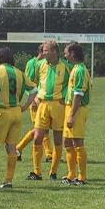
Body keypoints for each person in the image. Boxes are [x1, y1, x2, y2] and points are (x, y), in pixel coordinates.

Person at [0, 47, 37, 189]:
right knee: (11, 147)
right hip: (16, 113)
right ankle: (8, 181)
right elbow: (34, 90)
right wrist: (24, 107)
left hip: (1, 112)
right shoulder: (19, 73)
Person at [26, 40, 71, 181]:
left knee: (58, 140)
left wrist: (66, 97)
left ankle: (53, 172)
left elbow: (73, 85)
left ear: (54, 51)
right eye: (43, 50)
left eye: (46, 50)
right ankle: (36, 172)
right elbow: (30, 82)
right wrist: (33, 98)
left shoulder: (67, 67)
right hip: (42, 104)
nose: (43, 53)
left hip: (58, 105)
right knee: (38, 137)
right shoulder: (39, 65)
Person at [61, 42, 92, 186]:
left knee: (77, 142)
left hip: (77, 109)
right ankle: (71, 174)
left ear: (73, 53)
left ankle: (82, 177)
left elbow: (78, 94)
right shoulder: (75, 68)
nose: (64, 54)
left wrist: (72, 114)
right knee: (67, 142)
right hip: (70, 108)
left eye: (66, 52)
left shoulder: (80, 70)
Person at [16, 44, 53, 162]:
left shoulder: (48, 65)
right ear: (41, 52)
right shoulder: (33, 64)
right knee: (41, 129)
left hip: (44, 101)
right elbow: (29, 83)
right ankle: (48, 154)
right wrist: (34, 99)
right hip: (36, 101)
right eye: (47, 51)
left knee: (42, 129)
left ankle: (19, 148)